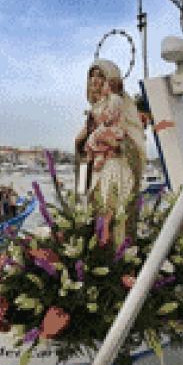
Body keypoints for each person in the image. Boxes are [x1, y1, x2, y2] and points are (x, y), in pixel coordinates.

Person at [75, 59, 146, 247]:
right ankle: (99, 251)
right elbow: (82, 143)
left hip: (115, 166)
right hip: (96, 166)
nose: (95, 80)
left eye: (100, 75)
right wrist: (82, 142)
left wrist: (111, 141)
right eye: (92, 75)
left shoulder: (119, 104)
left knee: (113, 212)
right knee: (94, 208)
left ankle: (117, 255)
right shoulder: (94, 110)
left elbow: (132, 138)